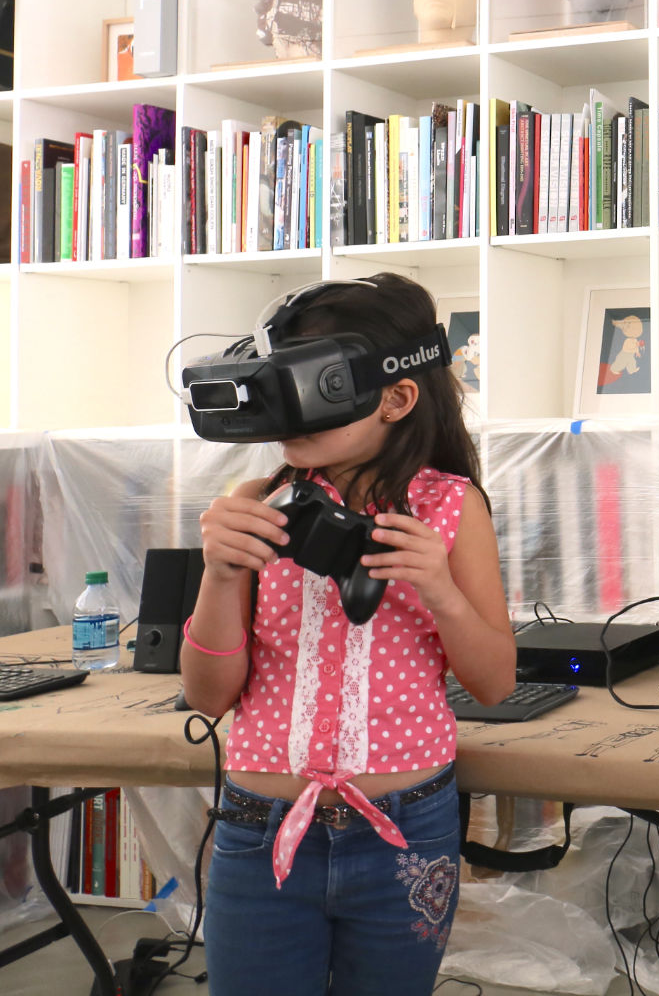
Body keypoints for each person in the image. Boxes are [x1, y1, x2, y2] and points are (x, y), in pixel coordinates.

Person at [181, 273, 515, 995]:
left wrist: (439, 589)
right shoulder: (255, 505)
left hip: (405, 833)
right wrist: (219, 573)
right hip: (260, 831)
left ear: (396, 397)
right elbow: (206, 696)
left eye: (309, 386)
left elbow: (494, 683)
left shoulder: (451, 508)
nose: (287, 412)